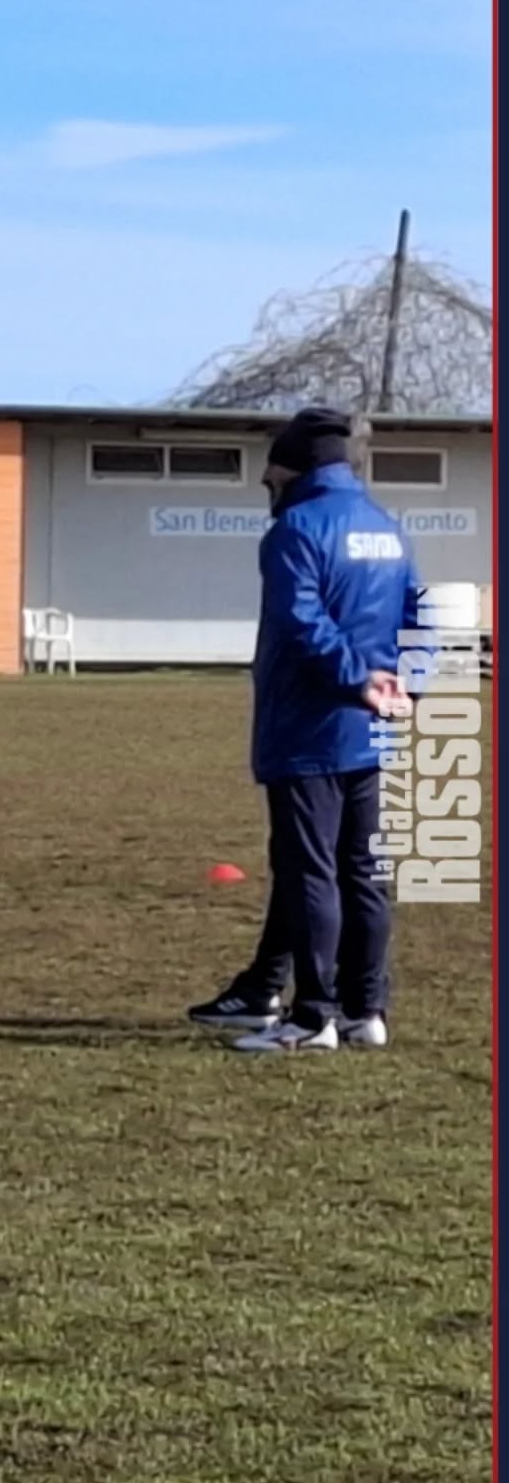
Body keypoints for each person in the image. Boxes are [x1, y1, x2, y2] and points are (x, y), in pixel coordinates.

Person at [187, 405, 420, 1053]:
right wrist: (407, 682)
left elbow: (302, 621)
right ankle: (364, 1009)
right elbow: (417, 614)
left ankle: (312, 1017)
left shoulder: (295, 529)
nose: (267, 489)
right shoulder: (387, 527)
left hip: (309, 726)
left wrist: (355, 679)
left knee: (309, 871)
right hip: (371, 726)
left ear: (293, 469)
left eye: (270, 478)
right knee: (362, 871)